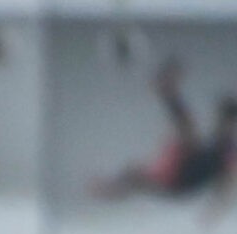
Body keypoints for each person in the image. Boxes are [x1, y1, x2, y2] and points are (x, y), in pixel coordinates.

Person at [91, 59, 237, 224]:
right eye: (221, 118)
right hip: (178, 172)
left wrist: (215, 212)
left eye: (225, 120)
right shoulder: (217, 141)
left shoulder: (228, 149)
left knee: (189, 134)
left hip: (180, 181)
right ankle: (167, 91)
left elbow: (229, 181)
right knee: (134, 173)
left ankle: (167, 91)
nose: (220, 122)